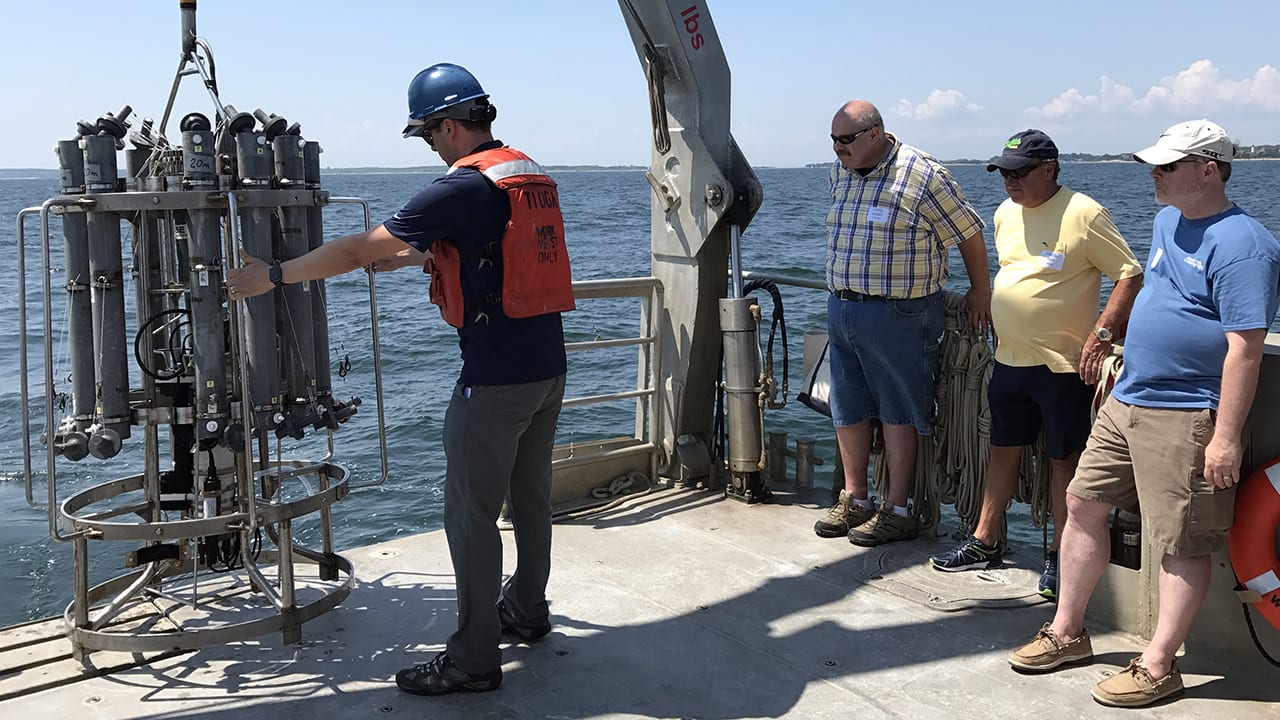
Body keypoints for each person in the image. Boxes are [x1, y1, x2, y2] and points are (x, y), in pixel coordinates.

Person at [227, 62, 574, 697]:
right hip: (546, 369)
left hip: (494, 380)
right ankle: (526, 610)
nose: (431, 147)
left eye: (427, 135)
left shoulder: (459, 187)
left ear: (447, 124)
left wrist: (272, 275)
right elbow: (495, 250)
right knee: (529, 499)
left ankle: (472, 660)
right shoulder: (525, 172)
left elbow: (358, 248)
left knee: (469, 516)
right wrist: (418, 257)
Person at [1008, 120, 1280, 707]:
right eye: (1153, 165)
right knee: (1081, 504)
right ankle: (1067, 631)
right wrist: (1110, 338)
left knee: (1179, 540)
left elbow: (1246, 347)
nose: (1153, 175)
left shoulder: (1243, 245)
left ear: (1208, 169)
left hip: (1187, 412)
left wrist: (1226, 438)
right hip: (1128, 397)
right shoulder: (1165, 221)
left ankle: (1159, 666)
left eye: (1167, 166)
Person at [928, 130, 1142, 599]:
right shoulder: (1004, 214)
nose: (1010, 181)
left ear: (1050, 168)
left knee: (1063, 461)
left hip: (1064, 368)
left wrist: (1103, 334)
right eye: (1005, 172)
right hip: (1008, 359)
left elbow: (1129, 274)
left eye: (1020, 171)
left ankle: (1062, 556)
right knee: (1001, 449)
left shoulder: (1084, 213)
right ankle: (984, 539)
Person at [813, 100, 991, 547]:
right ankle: (855, 498)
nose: (838, 149)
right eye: (833, 140)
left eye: (846, 140)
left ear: (875, 134)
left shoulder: (924, 173)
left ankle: (897, 509)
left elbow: (968, 232)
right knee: (847, 405)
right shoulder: (840, 172)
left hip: (901, 312)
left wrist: (980, 291)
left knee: (899, 408)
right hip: (843, 306)